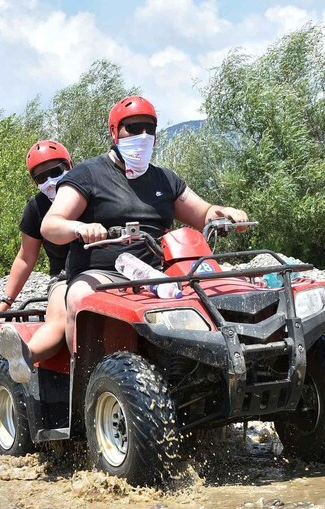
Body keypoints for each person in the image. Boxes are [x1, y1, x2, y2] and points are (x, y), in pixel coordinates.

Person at [41, 95, 248, 350]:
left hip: (159, 272)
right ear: (115, 132)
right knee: (79, 298)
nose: (143, 135)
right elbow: (51, 225)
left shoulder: (165, 179)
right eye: (133, 127)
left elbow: (204, 213)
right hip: (104, 274)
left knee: (222, 292)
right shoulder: (87, 174)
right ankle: (85, 372)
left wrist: (225, 213)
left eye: (149, 128)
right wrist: (79, 227)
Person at [0, 139, 72, 383]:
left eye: (56, 172)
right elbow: (26, 257)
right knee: (60, 319)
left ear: (69, 166)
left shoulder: (92, 193)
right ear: (34, 181)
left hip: (107, 270)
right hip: (66, 278)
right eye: (41, 177)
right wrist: (5, 302)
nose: (50, 181)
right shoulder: (37, 208)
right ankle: (25, 356)